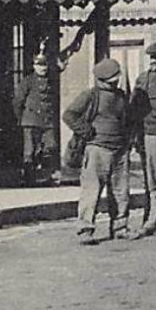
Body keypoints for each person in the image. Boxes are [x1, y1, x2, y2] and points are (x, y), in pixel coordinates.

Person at [63, 58, 133, 245]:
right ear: (103, 80)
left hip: (120, 150)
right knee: (91, 191)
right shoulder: (90, 96)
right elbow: (69, 115)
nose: (116, 83)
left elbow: (128, 120)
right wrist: (86, 131)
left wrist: (128, 141)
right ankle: (85, 229)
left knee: (121, 191)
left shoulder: (121, 96)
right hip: (96, 149)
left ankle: (120, 227)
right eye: (112, 80)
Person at [128, 39, 156, 238]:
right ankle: (151, 219)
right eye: (153, 58)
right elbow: (135, 109)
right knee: (151, 182)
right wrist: (136, 137)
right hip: (150, 134)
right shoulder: (142, 79)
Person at [12, 54, 59, 185]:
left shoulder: (51, 81)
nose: (42, 68)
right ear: (34, 66)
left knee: (50, 147)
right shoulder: (28, 81)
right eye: (39, 65)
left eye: (44, 65)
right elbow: (18, 101)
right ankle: (29, 178)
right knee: (30, 150)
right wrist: (21, 118)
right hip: (31, 120)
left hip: (47, 120)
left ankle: (46, 176)